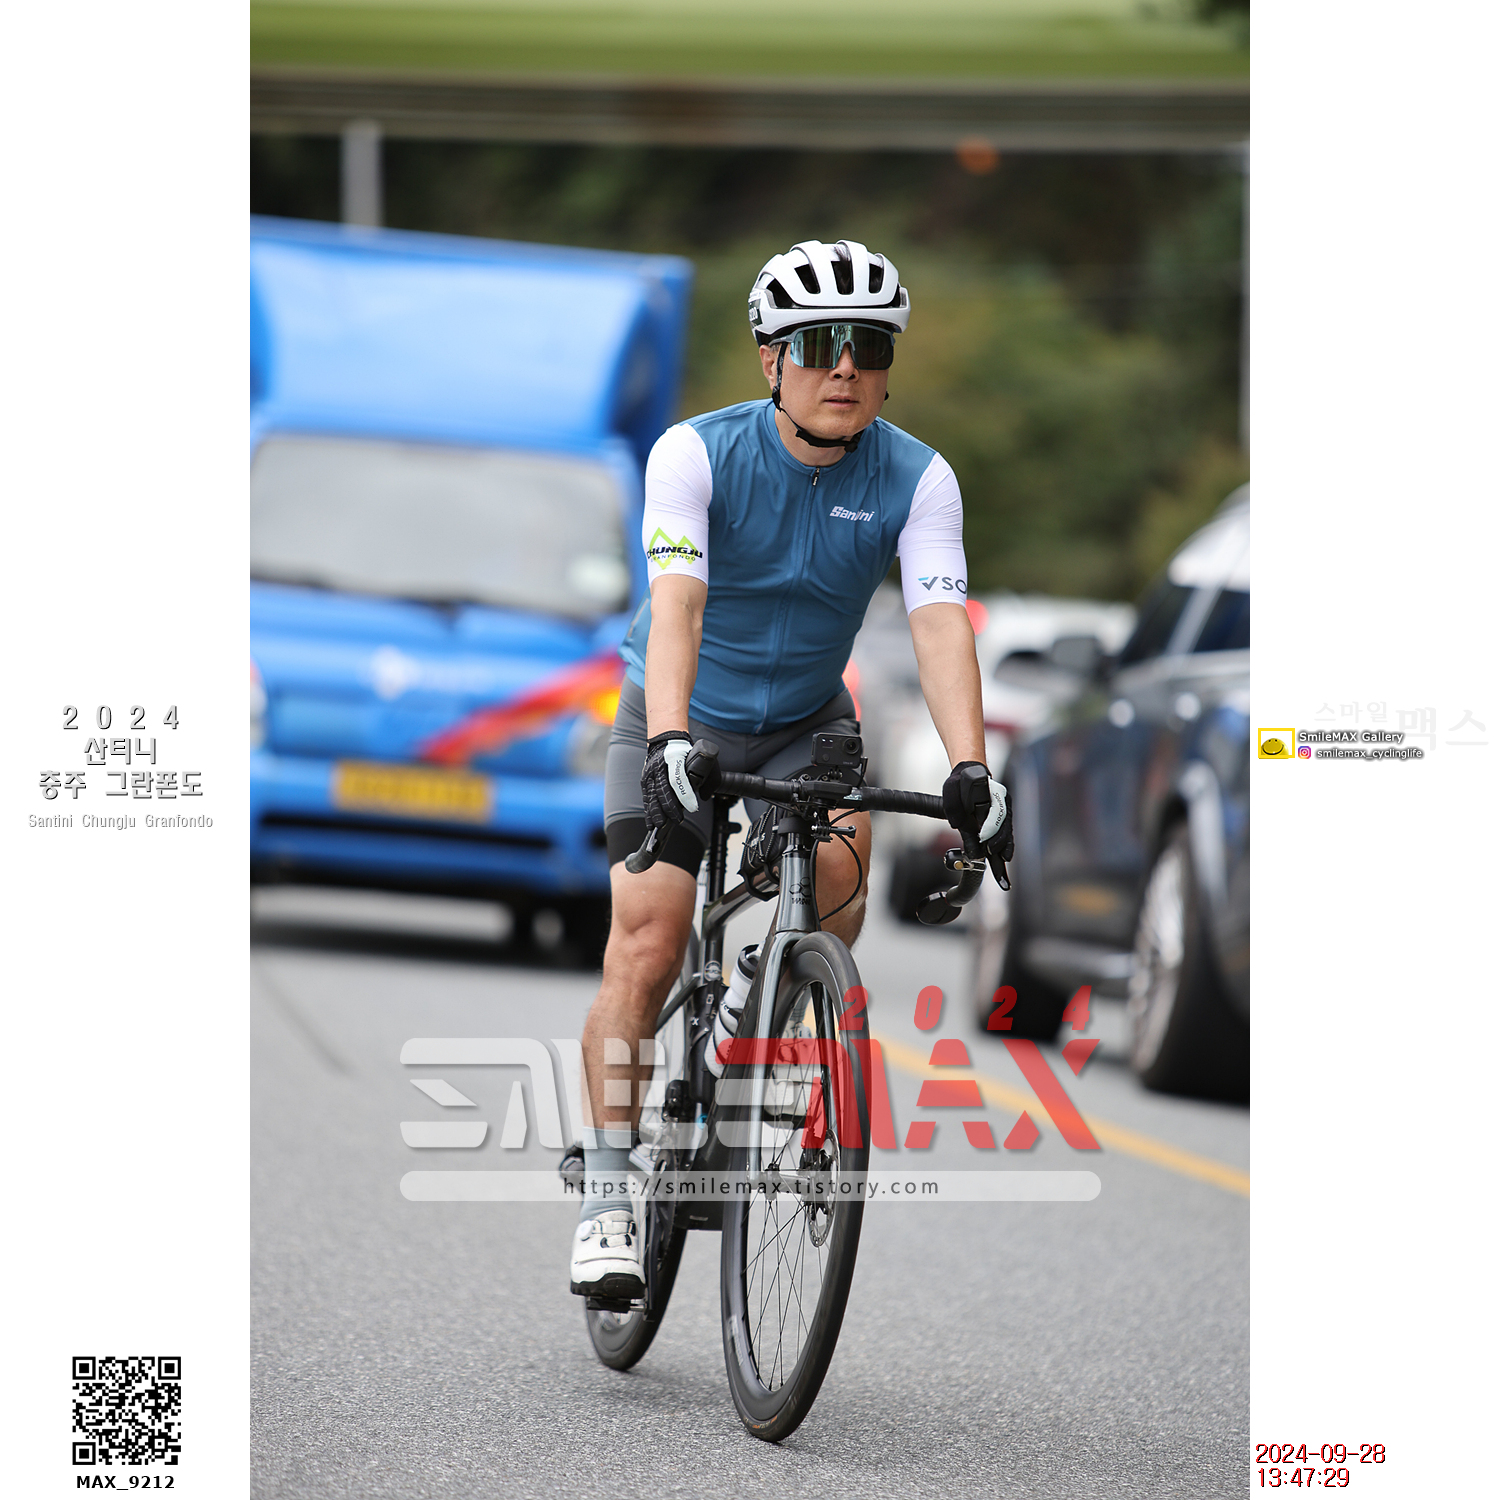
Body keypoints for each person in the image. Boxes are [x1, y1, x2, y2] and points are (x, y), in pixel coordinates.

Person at [569, 238, 1013, 1299]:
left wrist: (971, 768)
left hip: (809, 721)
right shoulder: (695, 454)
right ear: (772, 360)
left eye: (867, 346)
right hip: (678, 711)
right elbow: (677, 605)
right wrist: (671, 740)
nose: (844, 367)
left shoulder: (919, 477)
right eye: (818, 346)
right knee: (648, 941)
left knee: (841, 887)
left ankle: (760, 1007)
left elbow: (939, 622)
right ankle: (608, 1193)